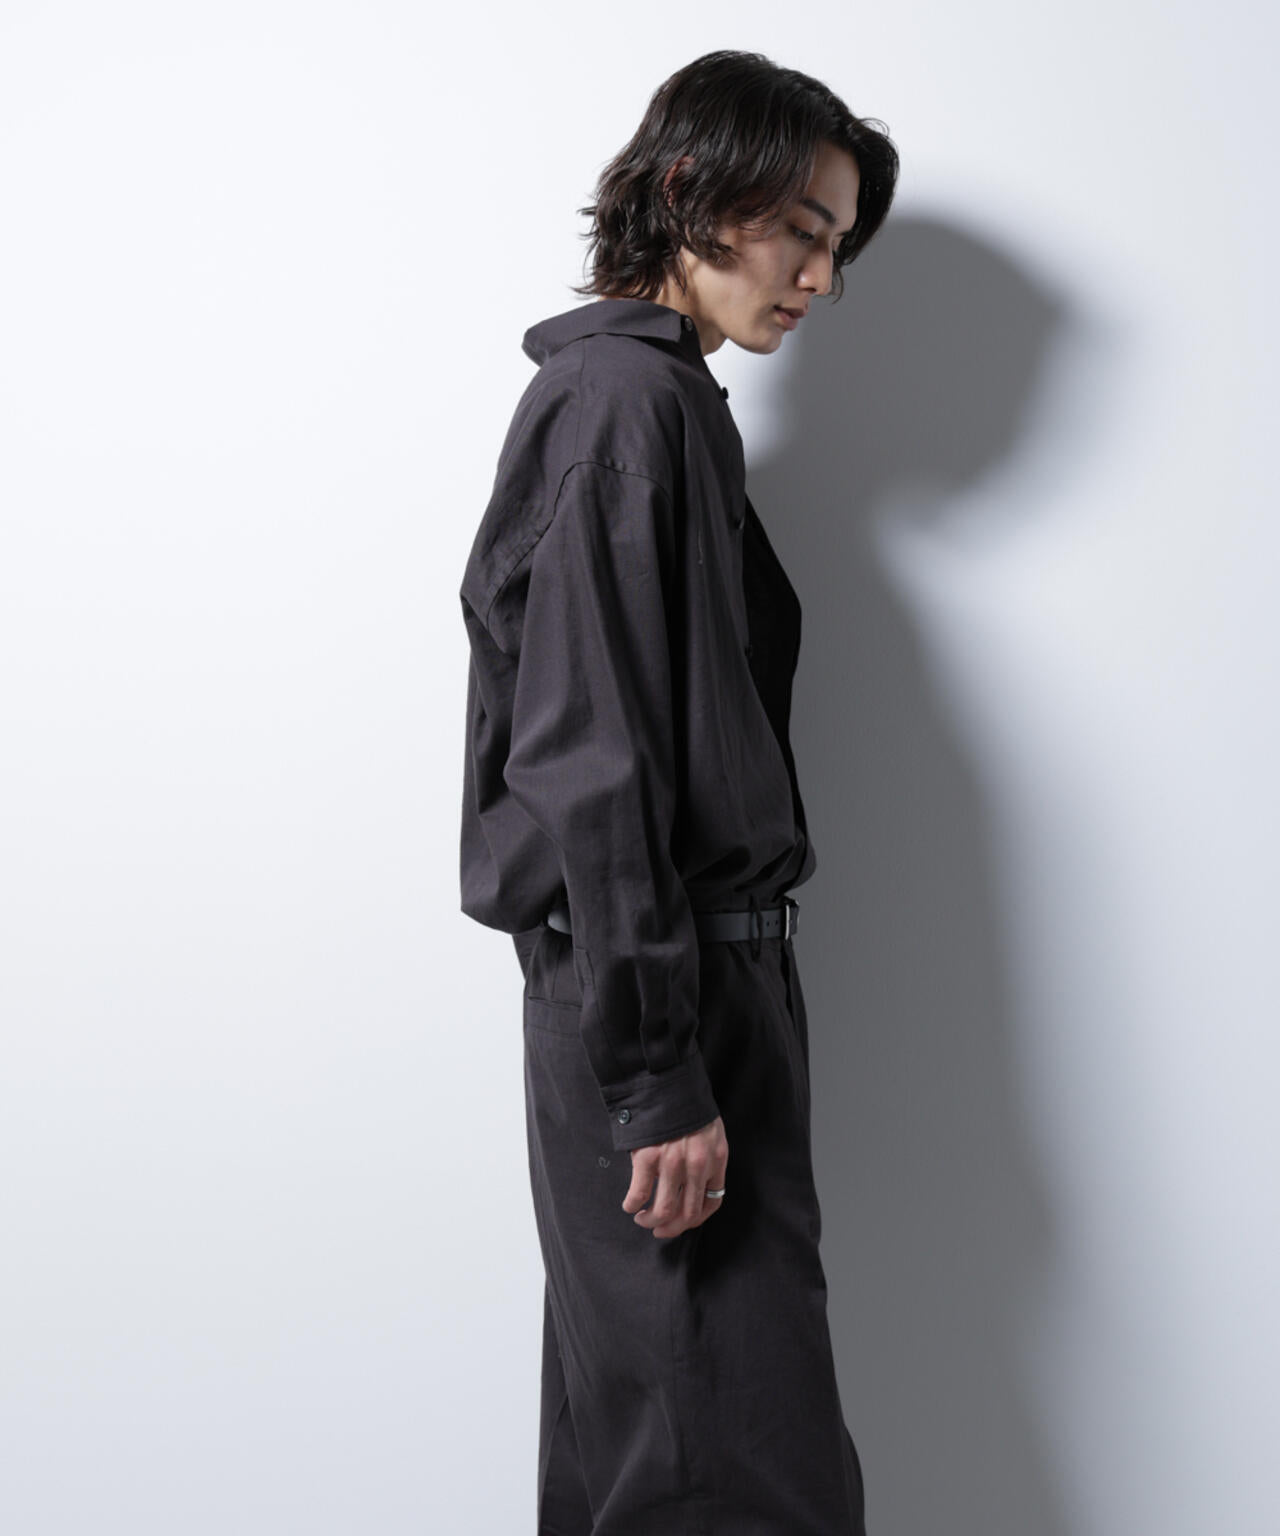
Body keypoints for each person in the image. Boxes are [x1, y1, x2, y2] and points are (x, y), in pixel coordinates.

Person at [458, 48, 898, 1536]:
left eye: (837, 247)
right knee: (724, 1475)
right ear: (691, 191)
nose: (819, 280)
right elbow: (588, 754)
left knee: (659, 1456)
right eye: (804, 232)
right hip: (661, 996)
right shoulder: (618, 408)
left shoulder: (666, 404)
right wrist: (655, 1071)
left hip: (695, 990)